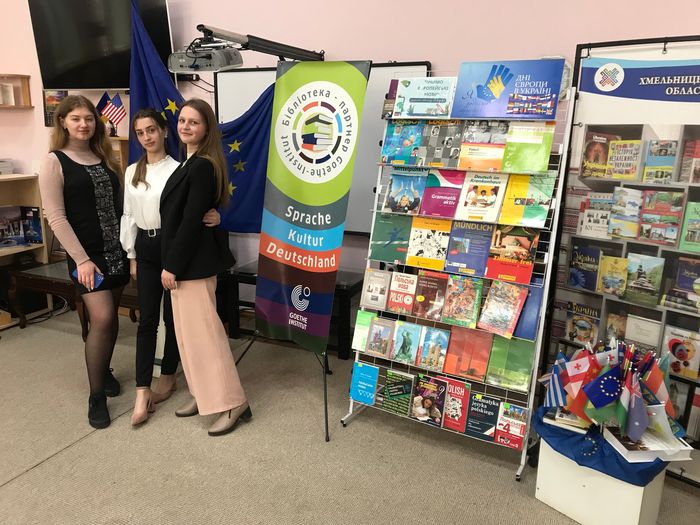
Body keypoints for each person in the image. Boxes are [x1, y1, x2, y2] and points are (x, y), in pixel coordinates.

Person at [120, 108, 221, 426]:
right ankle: (142, 391)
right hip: (145, 249)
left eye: (151, 130)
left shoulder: (180, 168)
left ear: (164, 131)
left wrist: (215, 215)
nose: (146, 137)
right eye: (140, 133)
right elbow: (128, 215)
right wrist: (131, 255)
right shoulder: (132, 171)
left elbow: (194, 211)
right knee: (147, 320)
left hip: (173, 247)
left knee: (175, 319)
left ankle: (168, 376)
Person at [160, 98, 250, 437]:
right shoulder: (189, 162)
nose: (185, 126)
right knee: (188, 339)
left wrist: (172, 266)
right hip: (183, 264)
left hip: (191, 266)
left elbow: (190, 222)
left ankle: (233, 402)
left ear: (206, 128)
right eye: (182, 120)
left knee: (207, 339)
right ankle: (203, 394)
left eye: (194, 122)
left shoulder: (202, 166)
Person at [39, 95, 129, 429]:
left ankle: (103, 370)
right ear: (63, 122)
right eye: (76, 118)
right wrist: (82, 260)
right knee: (102, 318)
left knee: (111, 317)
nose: (83, 124)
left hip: (115, 250)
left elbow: (121, 206)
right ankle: (96, 396)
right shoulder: (54, 161)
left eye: (89, 118)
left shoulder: (105, 156)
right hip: (86, 257)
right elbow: (56, 217)